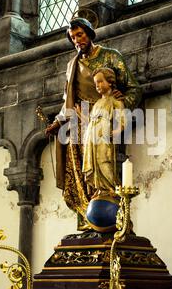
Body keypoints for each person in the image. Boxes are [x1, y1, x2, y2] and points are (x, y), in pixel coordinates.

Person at [45, 17, 141, 230]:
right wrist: (57, 123)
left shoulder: (110, 56)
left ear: (89, 33)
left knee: (103, 168)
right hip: (79, 123)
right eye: (73, 37)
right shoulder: (72, 65)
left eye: (80, 34)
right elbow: (67, 102)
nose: (77, 40)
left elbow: (134, 89)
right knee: (82, 171)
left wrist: (120, 101)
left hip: (103, 120)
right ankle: (88, 220)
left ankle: (110, 220)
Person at [82, 67, 126, 199]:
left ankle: (111, 187)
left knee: (104, 160)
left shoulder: (116, 100)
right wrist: (80, 115)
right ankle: (100, 188)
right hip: (92, 136)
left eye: (100, 82)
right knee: (94, 162)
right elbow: (91, 121)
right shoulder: (97, 104)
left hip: (104, 136)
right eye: (96, 83)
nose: (98, 86)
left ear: (110, 82)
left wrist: (118, 130)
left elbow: (122, 119)